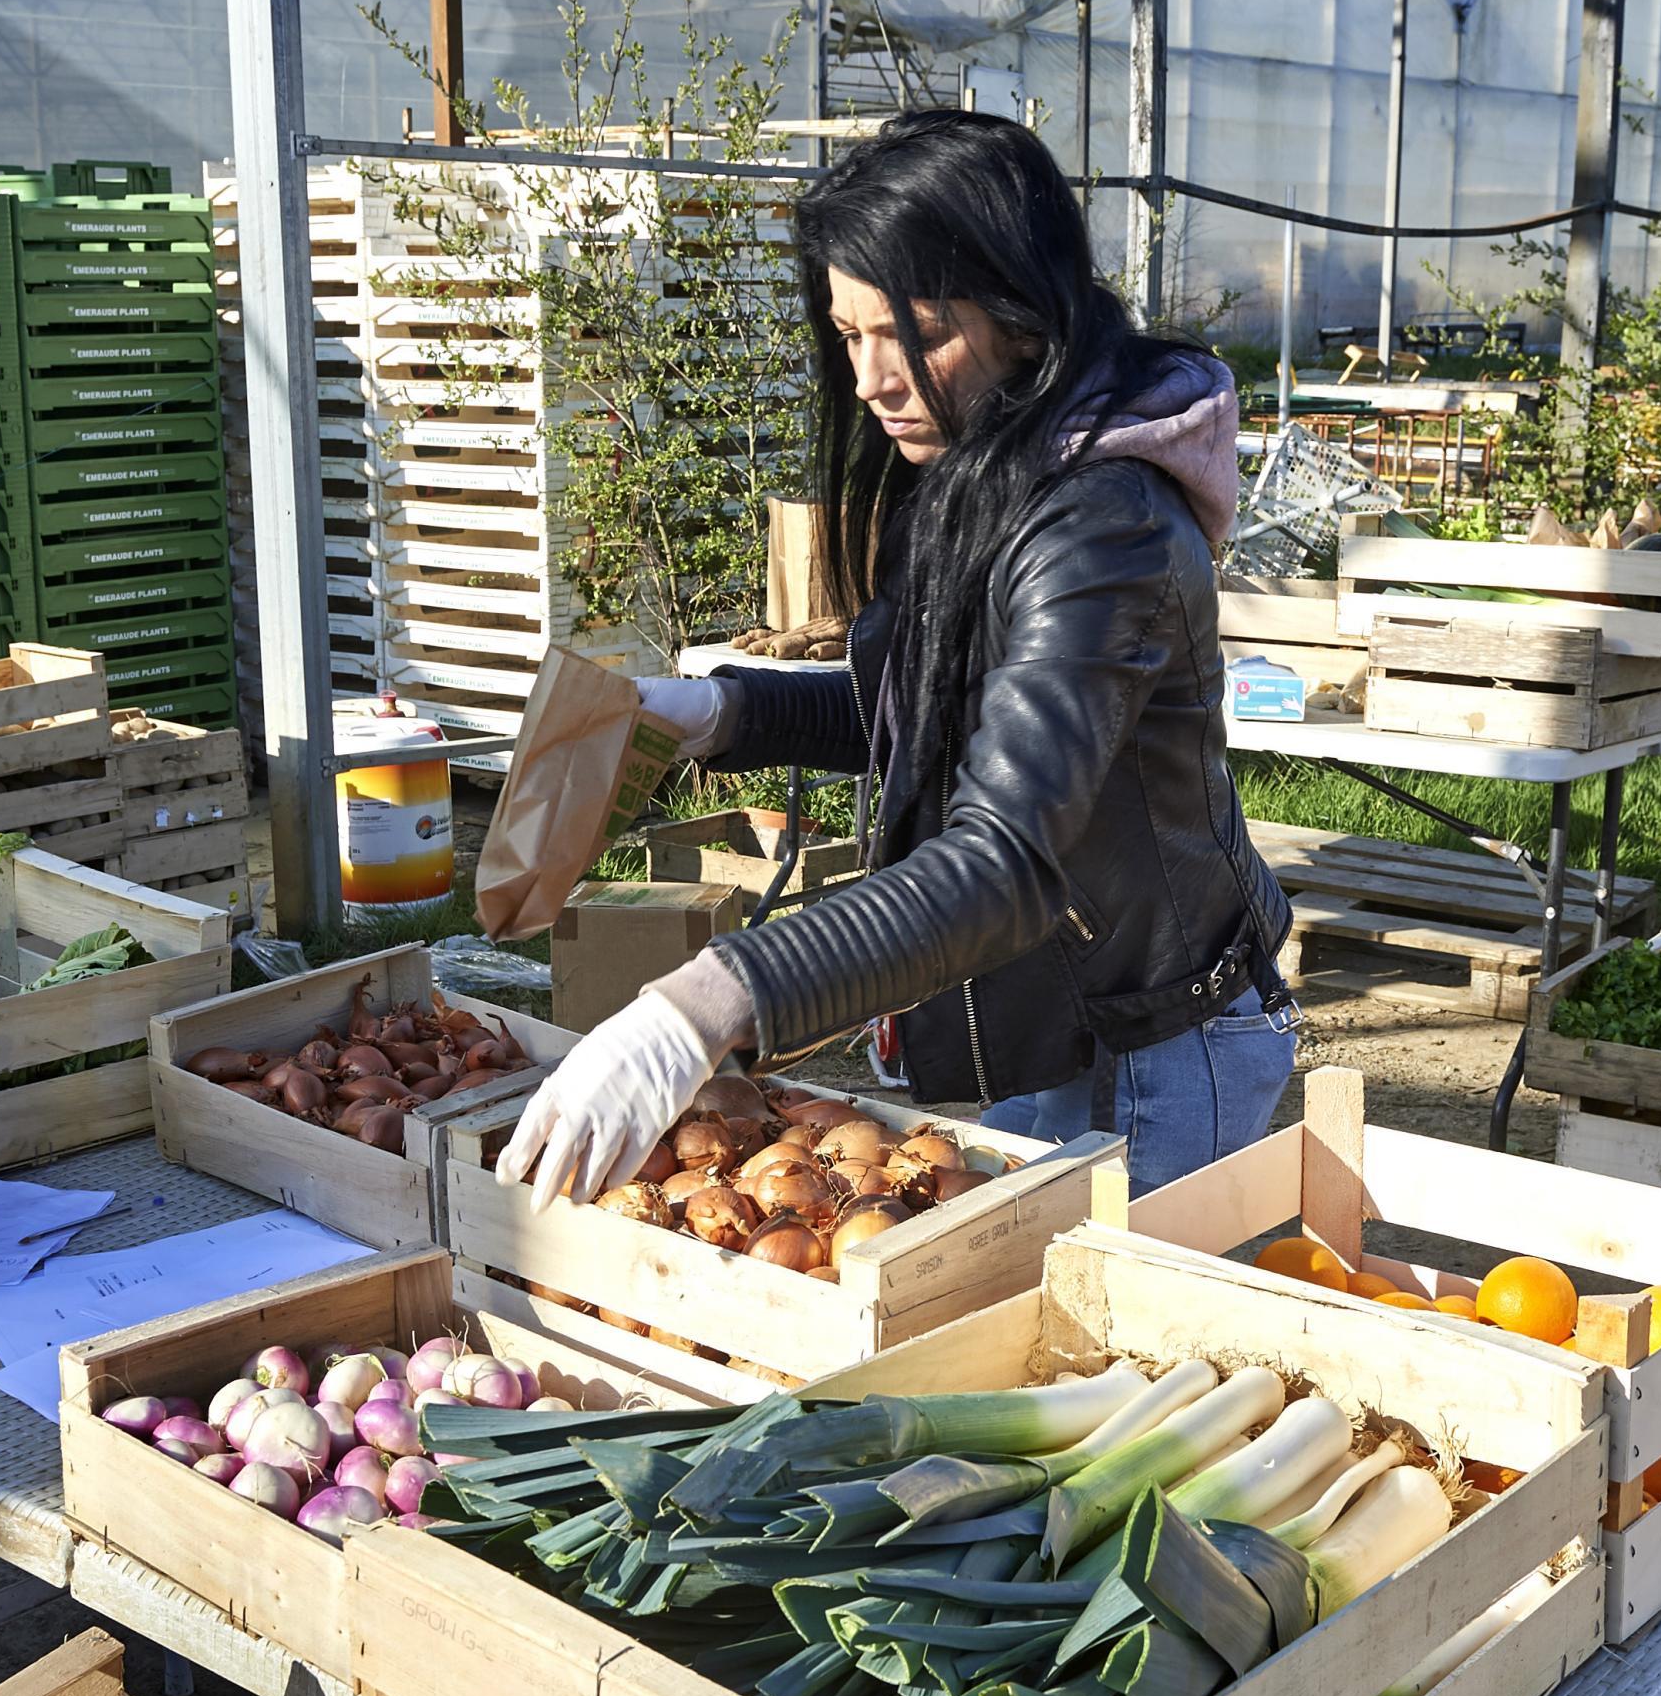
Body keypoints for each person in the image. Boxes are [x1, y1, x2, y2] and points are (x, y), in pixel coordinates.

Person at [501, 109, 1296, 1211]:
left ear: (1021, 310)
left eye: (912, 330)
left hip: (1151, 1052)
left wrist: (706, 1000)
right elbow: (927, 714)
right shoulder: (986, 465)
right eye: (847, 334)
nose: (873, 378)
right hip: (1045, 1022)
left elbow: (1005, 861)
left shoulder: (1100, 530)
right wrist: (718, 713)